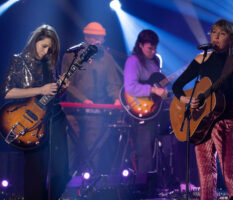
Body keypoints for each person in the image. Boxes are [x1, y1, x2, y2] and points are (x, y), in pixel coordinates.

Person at [172, 19, 233, 199]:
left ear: (232, 39)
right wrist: (185, 99)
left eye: (222, 34)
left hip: (227, 121)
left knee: (230, 178)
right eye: (213, 32)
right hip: (202, 123)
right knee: (205, 178)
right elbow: (178, 85)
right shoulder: (202, 59)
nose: (216, 37)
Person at [1, 25, 70, 199]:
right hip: (30, 124)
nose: (47, 52)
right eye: (44, 46)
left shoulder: (50, 65)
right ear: (35, 42)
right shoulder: (18, 60)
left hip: (53, 120)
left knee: (62, 171)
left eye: (50, 49)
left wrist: (61, 89)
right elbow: (7, 92)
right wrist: (41, 90)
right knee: (35, 174)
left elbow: (50, 96)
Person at [61, 22, 122, 174]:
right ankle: (68, 184)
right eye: (97, 39)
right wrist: (82, 99)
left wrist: (116, 98)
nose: (100, 42)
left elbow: (113, 83)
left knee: (93, 147)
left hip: (96, 111)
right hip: (73, 110)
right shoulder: (71, 55)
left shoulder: (106, 58)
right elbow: (65, 80)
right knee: (71, 147)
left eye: (102, 39)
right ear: (87, 38)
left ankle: (90, 183)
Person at [124, 29, 168, 174]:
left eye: (155, 48)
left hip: (153, 111)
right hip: (140, 111)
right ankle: (144, 186)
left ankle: (156, 182)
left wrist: (162, 92)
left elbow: (157, 84)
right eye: (150, 48)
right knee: (144, 151)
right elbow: (130, 87)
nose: (153, 51)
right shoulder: (133, 61)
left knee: (153, 148)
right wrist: (154, 90)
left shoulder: (154, 62)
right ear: (140, 45)